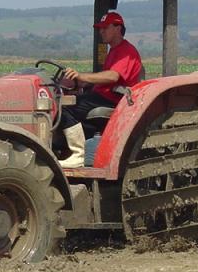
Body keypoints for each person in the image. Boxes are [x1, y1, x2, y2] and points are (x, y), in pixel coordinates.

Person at [58, 10, 143, 168]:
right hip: (101, 96)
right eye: (100, 28)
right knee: (65, 100)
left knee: (65, 107)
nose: (101, 31)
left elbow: (112, 77)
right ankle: (66, 148)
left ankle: (78, 154)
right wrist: (78, 83)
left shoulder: (127, 52)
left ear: (118, 28)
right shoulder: (113, 51)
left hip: (114, 101)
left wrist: (81, 76)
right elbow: (102, 79)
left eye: (105, 27)